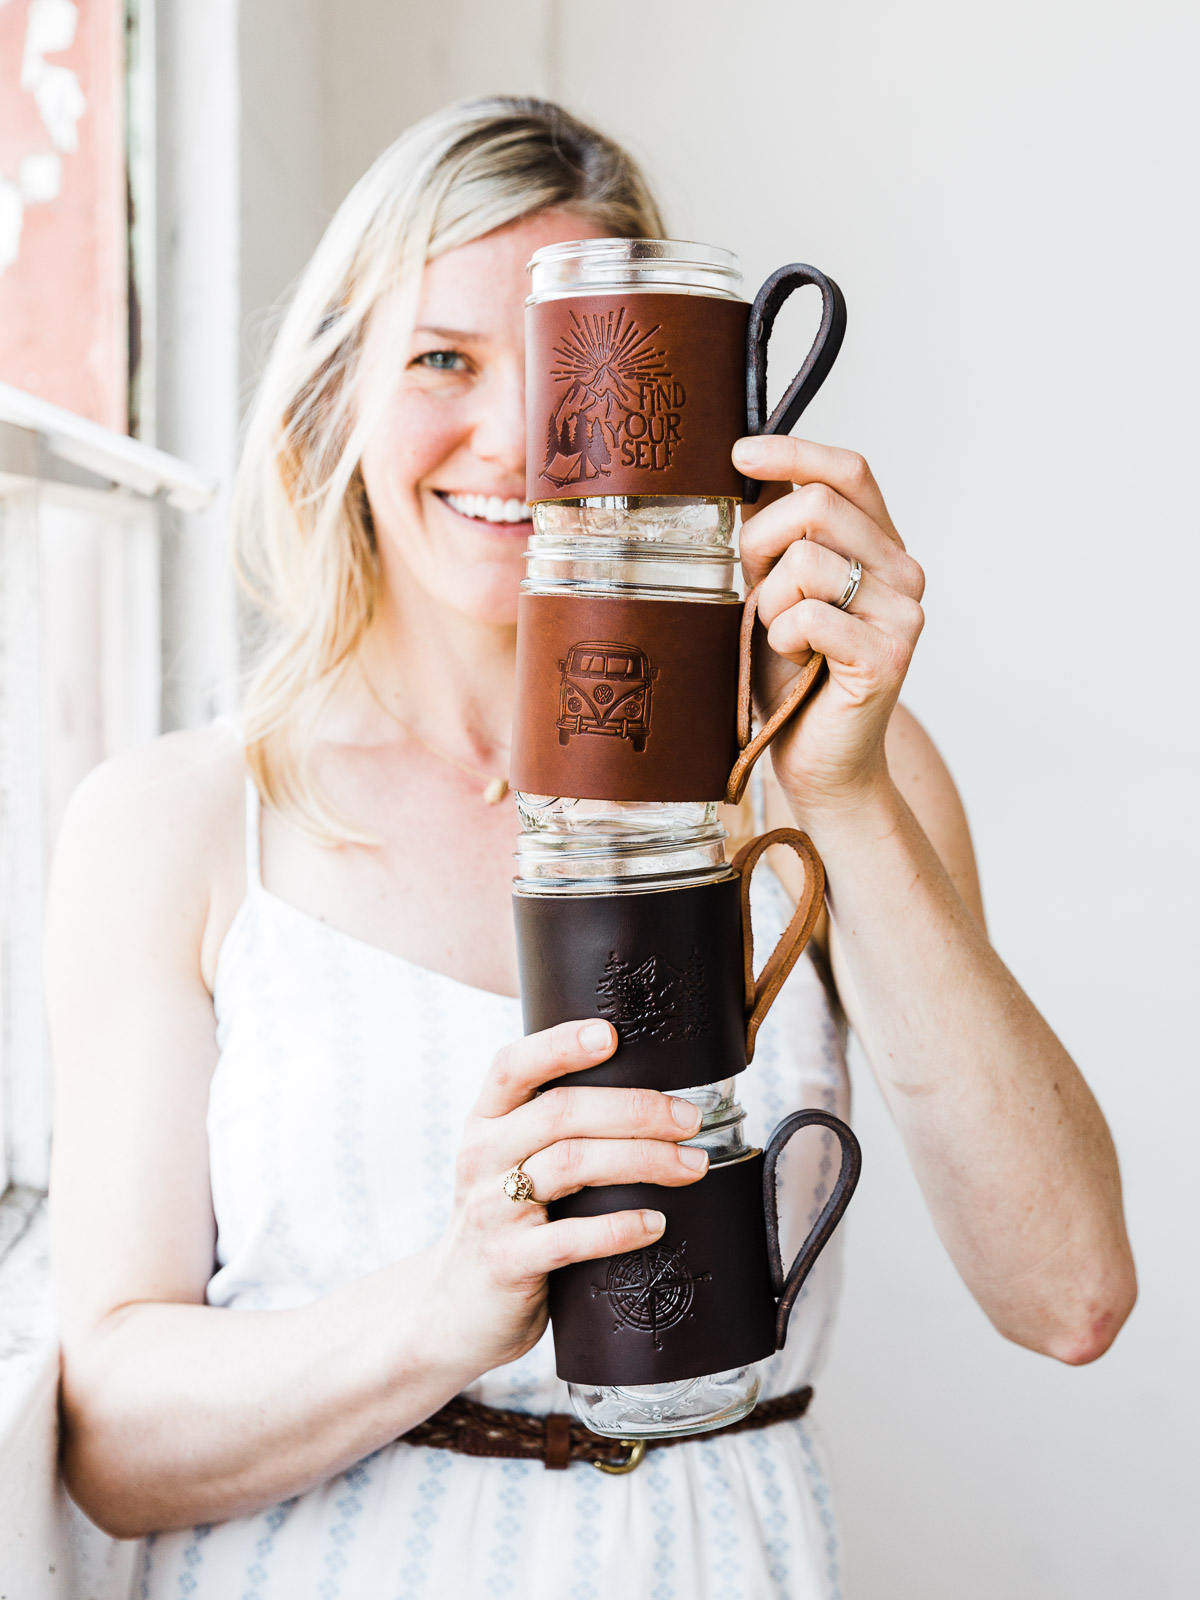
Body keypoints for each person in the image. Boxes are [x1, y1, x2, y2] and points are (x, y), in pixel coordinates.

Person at [45, 96, 1136, 1598]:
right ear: (334, 393)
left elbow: (1070, 1293)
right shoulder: (178, 827)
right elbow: (108, 1439)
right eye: (441, 358)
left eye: (572, 372)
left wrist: (847, 794)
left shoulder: (824, 776)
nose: (513, 439)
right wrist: (448, 1304)